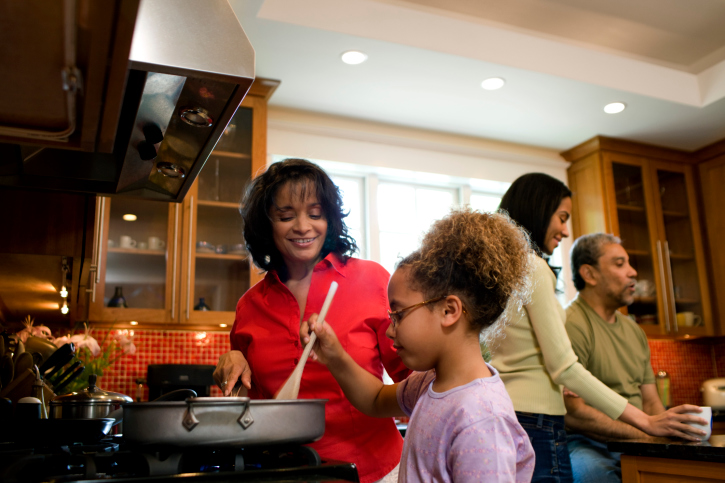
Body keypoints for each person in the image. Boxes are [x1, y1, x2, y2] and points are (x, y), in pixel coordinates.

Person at [489, 173, 706, 483]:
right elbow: (564, 366)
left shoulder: (501, 271)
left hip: (510, 415)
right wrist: (646, 422)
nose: (565, 230)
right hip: (538, 422)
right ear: (538, 210)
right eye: (562, 217)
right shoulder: (533, 267)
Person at [212, 158, 410, 483]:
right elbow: (251, 404)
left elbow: (413, 381)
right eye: (286, 216)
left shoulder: (372, 280)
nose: (303, 226)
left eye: (315, 214)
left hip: (375, 472)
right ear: (267, 224)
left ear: (329, 219)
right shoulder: (249, 306)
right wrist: (233, 362)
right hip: (284, 473)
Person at [303, 208, 536, 482]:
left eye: (399, 315)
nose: (390, 330)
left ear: (449, 311)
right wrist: (335, 356)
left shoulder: (482, 419)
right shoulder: (429, 384)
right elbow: (376, 399)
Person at [564, 233, 707, 483]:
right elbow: (574, 413)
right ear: (589, 274)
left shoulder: (634, 330)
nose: (632, 272)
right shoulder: (570, 323)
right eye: (619, 264)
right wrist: (649, 435)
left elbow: (652, 402)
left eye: (629, 263)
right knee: (594, 475)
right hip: (587, 442)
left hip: (640, 437)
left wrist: (663, 432)